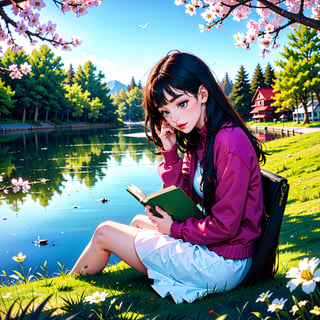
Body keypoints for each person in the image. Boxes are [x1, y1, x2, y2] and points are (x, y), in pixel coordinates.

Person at [70, 51, 266, 303]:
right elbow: (182, 195)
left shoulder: (228, 141)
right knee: (139, 221)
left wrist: (174, 229)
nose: (174, 118)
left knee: (104, 232)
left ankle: (71, 288)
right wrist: (170, 151)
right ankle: (156, 269)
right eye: (165, 111)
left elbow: (226, 225)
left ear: (203, 94)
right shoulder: (202, 136)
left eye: (181, 103)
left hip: (224, 264)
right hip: (217, 249)